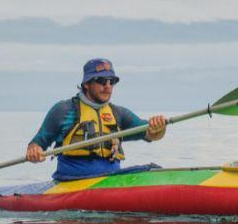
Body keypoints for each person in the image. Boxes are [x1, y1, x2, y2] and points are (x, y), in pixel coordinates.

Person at [26, 58, 167, 180]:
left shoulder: (119, 113)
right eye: (101, 80)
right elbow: (36, 144)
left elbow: (151, 134)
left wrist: (159, 128)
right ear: (86, 83)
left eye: (111, 81)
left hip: (110, 179)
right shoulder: (63, 110)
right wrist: (34, 151)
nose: (107, 86)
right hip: (72, 181)